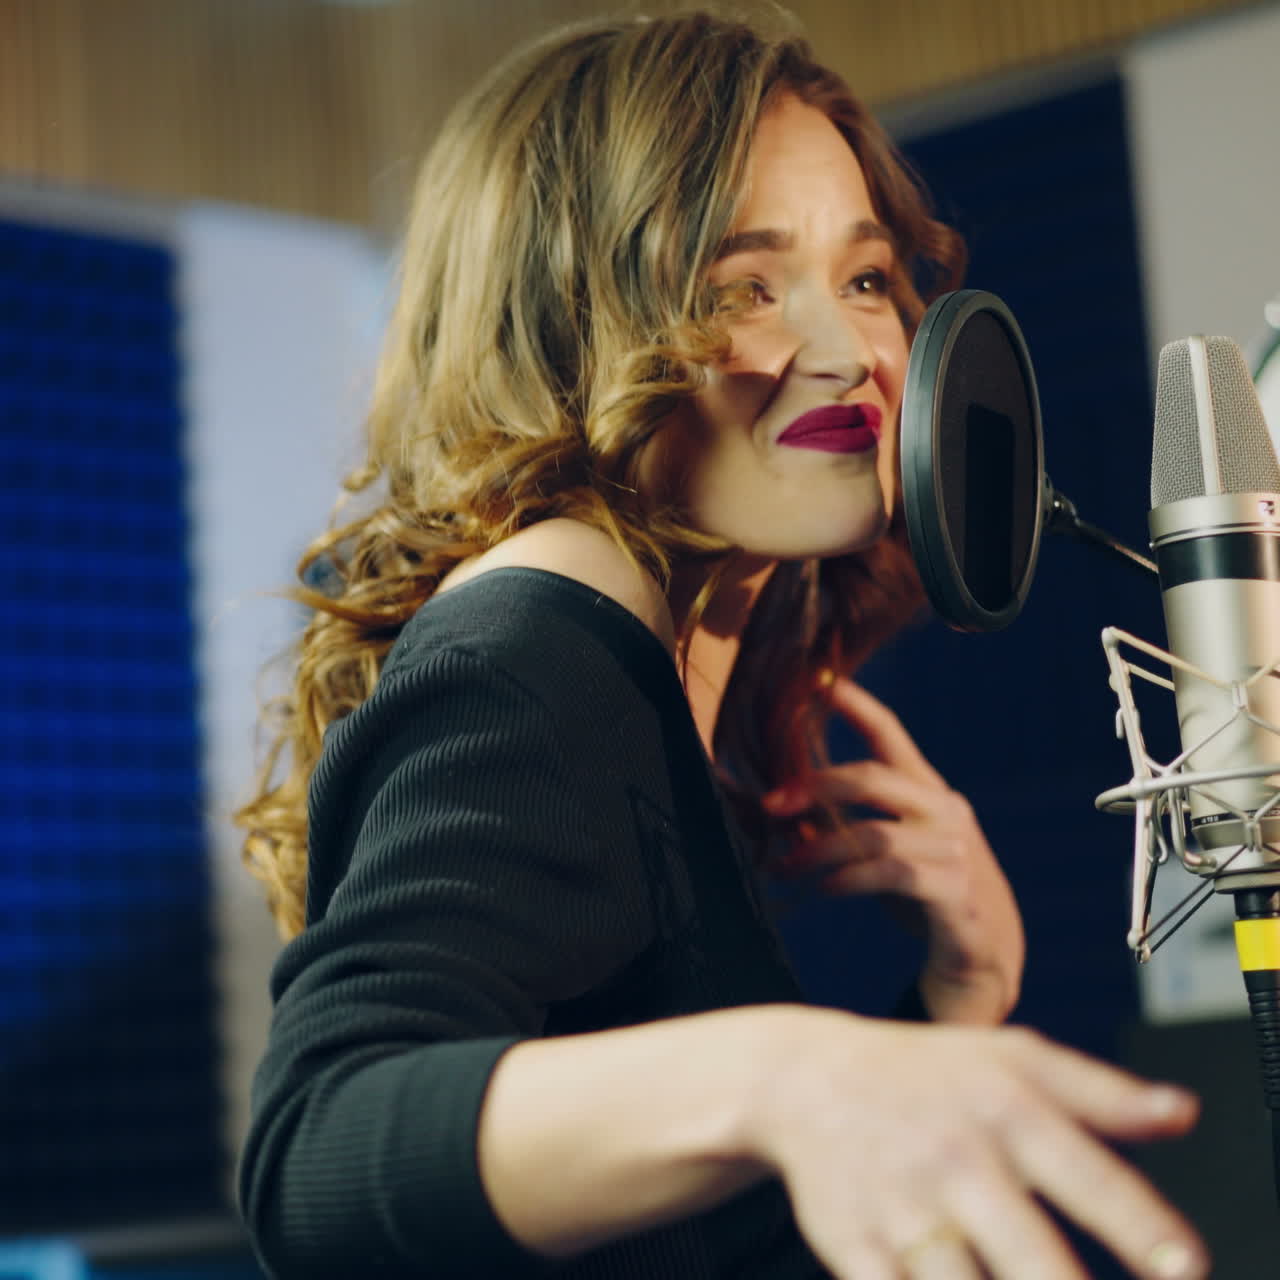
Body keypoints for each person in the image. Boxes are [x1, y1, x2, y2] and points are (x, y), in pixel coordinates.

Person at [234, 9, 1208, 1278]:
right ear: (568, 325)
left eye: (863, 279)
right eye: (740, 288)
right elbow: (319, 1146)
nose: (847, 352)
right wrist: (785, 1071)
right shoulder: (539, 642)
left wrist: (945, 1007)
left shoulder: (670, 651)